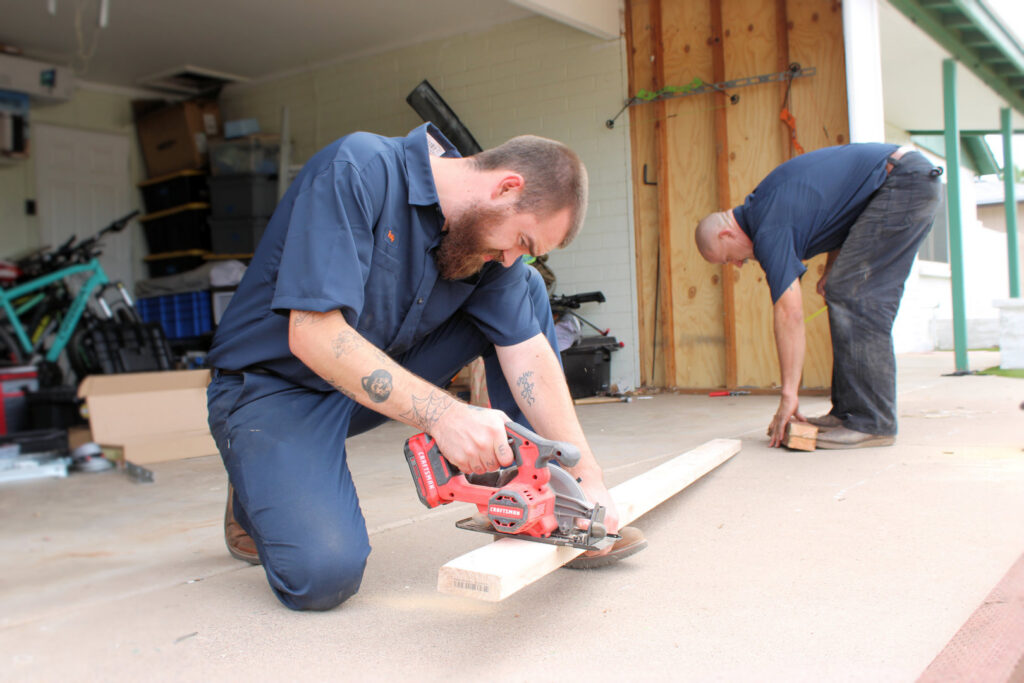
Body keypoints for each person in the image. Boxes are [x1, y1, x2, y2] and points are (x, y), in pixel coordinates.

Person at [206, 123, 645, 611]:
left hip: (364, 385)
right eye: (520, 238)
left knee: (526, 288)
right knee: (322, 577)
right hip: (273, 391)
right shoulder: (360, 170)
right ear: (505, 186)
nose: (510, 257)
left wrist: (585, 475)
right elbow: (313, 333)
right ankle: (255, 471)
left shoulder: (485, 247)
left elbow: (528, 352)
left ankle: (532, 503)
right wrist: (445, 415)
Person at [695, 143, 942, 449]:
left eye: (727, 258)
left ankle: (872, 421)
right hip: (899, 182)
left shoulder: (768, 228)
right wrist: (832, 269)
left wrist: (789, 395)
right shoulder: (766, 208)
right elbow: (846, 211)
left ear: (725, 234)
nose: (736, 264)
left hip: (904, 184)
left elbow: (790, 313)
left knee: (858, 296)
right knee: (843, 288)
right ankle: (848, 413)